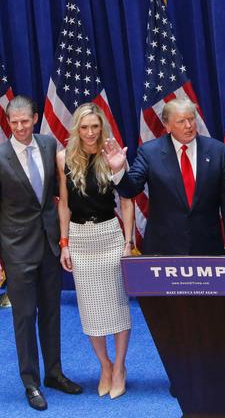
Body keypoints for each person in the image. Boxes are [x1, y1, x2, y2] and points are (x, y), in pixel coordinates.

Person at [0, 96, 82, 411]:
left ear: (35, 118)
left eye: (25, 121)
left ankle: (54, 373)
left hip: (49, 245)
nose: (20, 128)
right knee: (24, 317)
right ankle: (30, 382)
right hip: (17, 250)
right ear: (9, 123)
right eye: (13, 122)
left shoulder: (49, 146)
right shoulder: (2, 155)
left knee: (52, 312)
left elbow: (58, 194)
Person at [56, 103, 134, 400]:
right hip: (80, 239)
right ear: (77, 129)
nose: (90, 133)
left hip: (110, 236)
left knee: (117, 305)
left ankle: (120, 368)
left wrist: (128, 243)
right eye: (85, 127)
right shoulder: (64, 158)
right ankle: (105, 365)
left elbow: (127, 201)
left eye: (95, 126)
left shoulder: (113, 155)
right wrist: (64, 243)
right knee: (90, 309)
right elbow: (63, 203)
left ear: (102, 127)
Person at [102, 97, 225, 256]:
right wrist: (119, 170)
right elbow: (130, 189)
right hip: (164, 248)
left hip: (207, 245)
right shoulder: (149, 152)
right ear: (167, 126)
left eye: (191, 119)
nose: (188, 126)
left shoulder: (217, 150)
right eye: (181, 121)